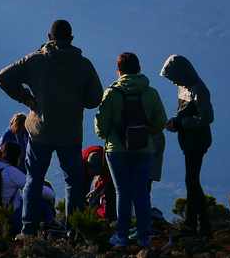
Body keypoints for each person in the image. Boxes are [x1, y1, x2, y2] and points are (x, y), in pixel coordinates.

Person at [0, 19, 103, 237]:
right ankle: (74, 231)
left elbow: (3, 78)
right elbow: (95, 99)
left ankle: (28, 229)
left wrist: (26, 99)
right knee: (73, 181)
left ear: (49, 37)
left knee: (33, 179)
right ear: (71, 38)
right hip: (70, 133)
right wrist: (75, 100)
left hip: (39, 131)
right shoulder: (83, 65)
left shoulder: (36, 60)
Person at [94, 52, 167, 247]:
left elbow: (100, 126)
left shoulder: (111, 93)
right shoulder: (150, 93)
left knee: (122, 192)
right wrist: (146, 133)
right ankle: (144, 236)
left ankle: (122, 236)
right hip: (144, 148)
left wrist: (110, 137)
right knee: (141, 192)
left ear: (119, 71)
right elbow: (161, 122)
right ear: (139, 68)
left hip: (116, 151)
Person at [160, 55, 214, 237]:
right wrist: (176, 123)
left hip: (197, 141)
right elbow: (184, 113)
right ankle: (194, 223)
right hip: (188, 141)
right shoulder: (184, 87)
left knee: (192, 181)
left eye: (173, 76)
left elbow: (206, 118)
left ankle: (200, 224)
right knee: (191, 181)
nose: (172, 81)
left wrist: (180, 124)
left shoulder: (199, 90)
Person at [82, 145, 116, 221]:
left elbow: (106, 179)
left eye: (95, 171)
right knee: (82, 192)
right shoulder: (82, 162)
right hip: (84, 171)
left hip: (104, 169)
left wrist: (96, 191)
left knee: (109, 191)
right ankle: (84, 215)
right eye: (91, 170)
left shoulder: (106, 163)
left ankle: (110, 218)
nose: (93, 173)